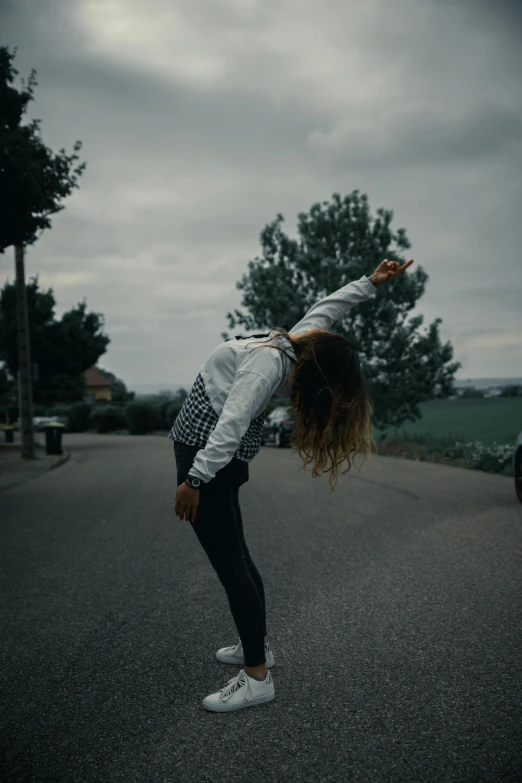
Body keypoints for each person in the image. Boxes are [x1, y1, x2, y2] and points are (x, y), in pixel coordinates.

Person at [171, 257, 414, 712]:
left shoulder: (267, 364)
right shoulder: (293, 348)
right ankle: (256, 647)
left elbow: (230, 424)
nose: (314, 329)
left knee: (230, 563)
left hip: (208, 455)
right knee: (237, 553)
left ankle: (256, 677)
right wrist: (369, 283)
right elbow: (327, 309)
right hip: (214, 455)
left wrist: (193, 479)